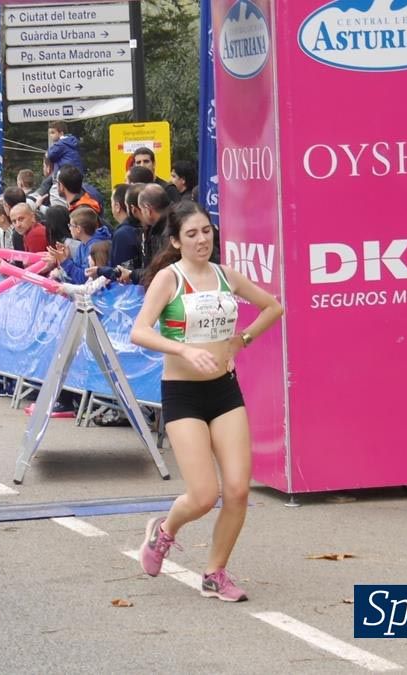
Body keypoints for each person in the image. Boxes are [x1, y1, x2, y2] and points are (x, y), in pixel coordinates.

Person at [130, 201, 283, 602]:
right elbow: (140, 332)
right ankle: (164, 531)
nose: (202, 239)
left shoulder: (224, 276)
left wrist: (241, 340)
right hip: (183, 394)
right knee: (202, 496)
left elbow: (273, 306)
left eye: (206, 231)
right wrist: (182, 351)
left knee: (237, 490)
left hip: (224, 391)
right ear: (177, 241)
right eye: (192, 234)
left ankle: (215, 572)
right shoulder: (170, 279)